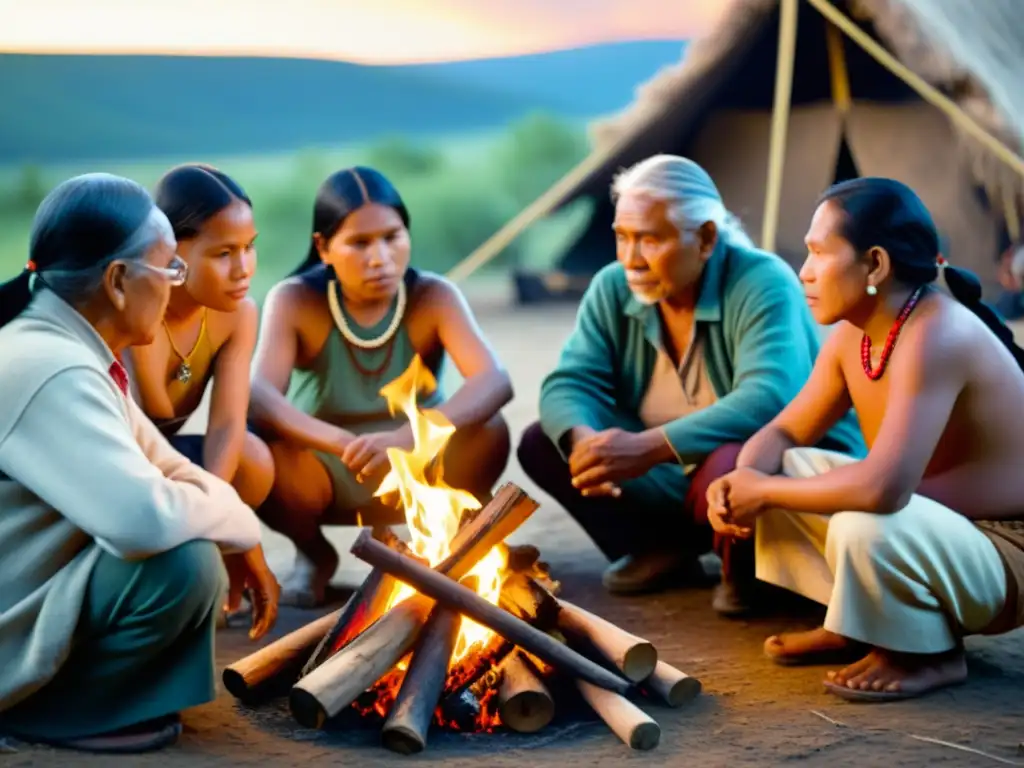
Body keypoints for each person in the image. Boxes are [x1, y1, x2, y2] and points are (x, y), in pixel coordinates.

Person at [707, 177, 1024, 702]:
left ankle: (926, 655)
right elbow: (787, 430)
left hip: (1004, 548)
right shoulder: (852, 336)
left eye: (817, 254)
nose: (803, 273)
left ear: (874, 264)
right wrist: (746, 475)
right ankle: (857, 620)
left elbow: (883, 489)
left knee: (861, 521)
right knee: (787, 467)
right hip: (932, 526)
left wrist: (760, 492)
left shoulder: (936, 333)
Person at [0, 174, 279, 754]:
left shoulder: (71, 345)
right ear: (119, 281)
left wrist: (226, 519)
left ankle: (112, 698)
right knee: (181, 562)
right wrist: (238, 524)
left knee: (189, 536)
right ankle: (49, 709)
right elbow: (141, 521)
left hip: (35, 582)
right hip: (12, 620)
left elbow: (167, 463)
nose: (177, 282)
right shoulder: (52, 365)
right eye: (170, 268)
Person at [517, 155, 863, 607]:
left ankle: (754, 572)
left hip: (764, 467)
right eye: (622, 238)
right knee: (546, 441)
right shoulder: (612, 286)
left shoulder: (762, 281)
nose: (631, 259)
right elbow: (570, 381)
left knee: (728, 463)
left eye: (650, 239)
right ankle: (664, 549)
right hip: (676, 480)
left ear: (704, 239)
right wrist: (589, 445)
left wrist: (647, 448)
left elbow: (769, 397)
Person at [249, 166, 512, 607]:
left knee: (489, 429)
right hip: (328, 466)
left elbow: (493, 380)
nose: (380, 257)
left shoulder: (434, 295)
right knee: (256, 454)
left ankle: (449, 545)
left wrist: (408, 437)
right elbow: (259, 397)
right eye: (359, 243)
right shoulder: (295, 299)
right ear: (323, 247)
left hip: (419, 460)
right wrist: (338, 442)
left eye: (392, 237)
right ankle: (314, 557)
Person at [124, 163, 275, 614]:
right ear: (170, 251)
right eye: (223, 253)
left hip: (170, 460)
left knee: (253, 459)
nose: (243, 268)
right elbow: (146, 414)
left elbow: (228, 422)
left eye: (250, 248)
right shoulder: (130, 304)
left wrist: (219, 509)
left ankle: (214, 561)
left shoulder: (238, 313)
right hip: (119, 461)